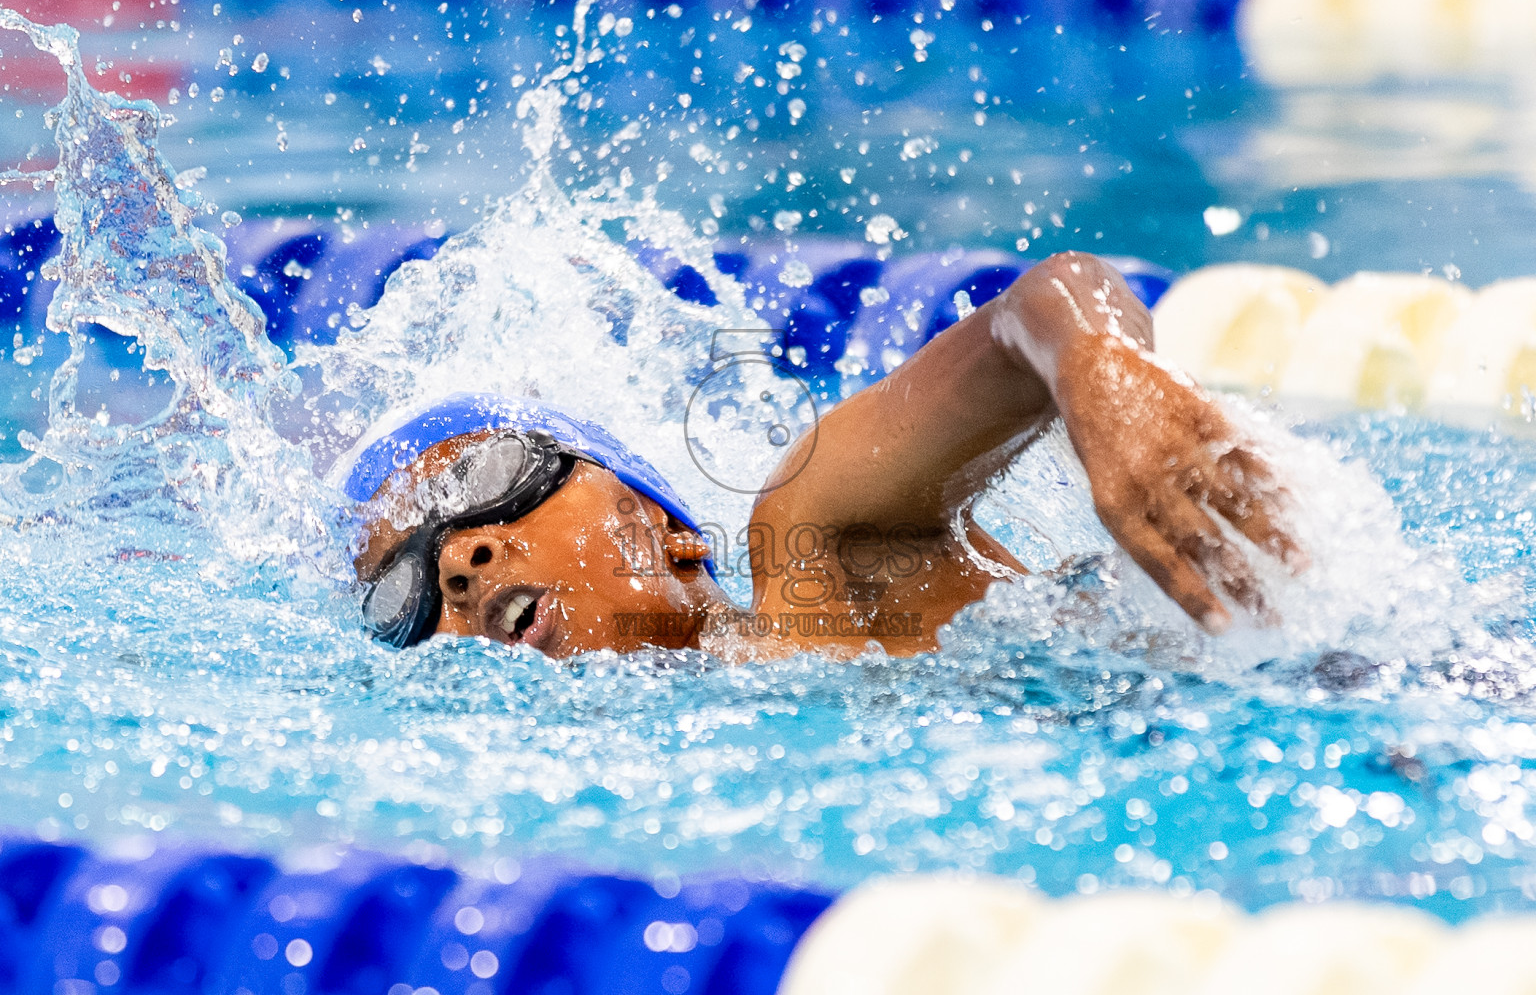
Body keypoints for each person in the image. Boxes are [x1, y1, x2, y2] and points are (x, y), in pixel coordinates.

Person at [339, 251, 1306, 661]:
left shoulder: (820, 556)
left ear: (662, 522)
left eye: (485, 486)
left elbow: (1044, 306)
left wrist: (1106, 387)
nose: (457, 562)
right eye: (401, 590)